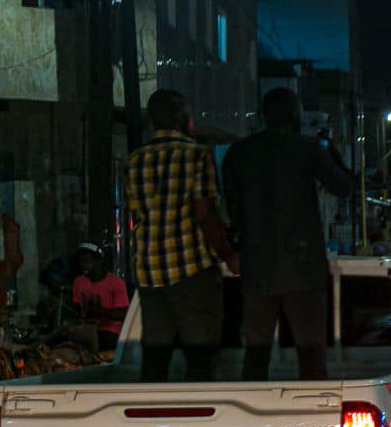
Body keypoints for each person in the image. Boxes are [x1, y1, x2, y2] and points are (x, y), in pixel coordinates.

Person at [222, 89, 356, 381]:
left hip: (256, 268)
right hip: (304, 267)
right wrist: (330, 148)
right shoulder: (307, 149)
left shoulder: (238, 153)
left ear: (263, 115)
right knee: (310, 354)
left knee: (255, 354)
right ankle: (311, 415)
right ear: (294, 115)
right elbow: (344, 185)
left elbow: (230, 209)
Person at [125, 90, 240, 382]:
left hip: (149, 271)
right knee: (200, 352)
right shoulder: (197, 154)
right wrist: (228, 254)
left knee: (156, 351)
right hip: (192, 268)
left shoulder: (135, 160)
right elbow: (205, 213)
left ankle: (153, 413)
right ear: (182, 118)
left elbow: (136, 214)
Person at [69, 242, 129, 351]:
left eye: (86, 260)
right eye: (81, 261)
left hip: (109, 331)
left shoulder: (116, 283)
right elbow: (76, 308)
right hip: (86, 328)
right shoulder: (79, 282)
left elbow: (123, 313)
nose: (83, 265)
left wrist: (101, 312)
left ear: (99, 261)